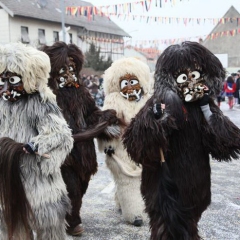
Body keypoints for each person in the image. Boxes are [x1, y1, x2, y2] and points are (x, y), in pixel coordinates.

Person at [123, 41, 240, 240]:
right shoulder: (157, 103)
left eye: (195, 75)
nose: (190, 82)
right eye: (183, 76)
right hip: (163, 184)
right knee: (164, 230)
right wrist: (158, 120)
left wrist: (207, 110)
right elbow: (135, 144)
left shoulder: (204, 106)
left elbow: (226, 144)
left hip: (195, 183)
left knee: (189, 226)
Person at [41, 41, 121, 236]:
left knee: (82, 184)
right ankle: (72, 220)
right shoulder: (48, 95)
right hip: (62, 152)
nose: (68, 71)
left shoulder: (81, 91)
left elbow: (91, 113)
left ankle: (68, 215)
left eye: (72, 66)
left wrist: (105, 118)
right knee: (71, 187)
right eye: (64, 67)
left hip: (84, 151)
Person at [0, 42, 73, 240]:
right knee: (11, 225)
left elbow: (61, 133)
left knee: (48, 224)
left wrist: (35, 145)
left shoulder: (40, 102)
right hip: (7, 175)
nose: (6, 89)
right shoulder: (1, 104)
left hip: (37, 177)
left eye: (13, 81)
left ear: (28, 78)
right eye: (2, 81)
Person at [98, 57, 152, 226]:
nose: (129, 87)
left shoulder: (148, 98)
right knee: (127, 179)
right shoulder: (113, 100)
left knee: (144, 177)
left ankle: (122, 201)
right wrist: (108, 145)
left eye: (133, 81)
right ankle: (134, 213)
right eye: (125, 82)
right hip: (122, 147)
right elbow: (106, 125)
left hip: (145, 146)